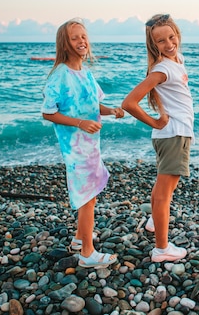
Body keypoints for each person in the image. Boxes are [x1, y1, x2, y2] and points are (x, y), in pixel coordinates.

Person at [41, 17, 124, 268]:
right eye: (75, 38)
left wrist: (112, 111)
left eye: (83, 36)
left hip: (91, 145)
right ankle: (88, 253)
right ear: (65, 44)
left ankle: (79, 239)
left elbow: (93, 104)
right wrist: (79, 123)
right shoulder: (59, 75)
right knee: (87, 196)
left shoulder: (85, 73)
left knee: (93, 192)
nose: (81, 41)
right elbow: (48, 112)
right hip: (75, 147)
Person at [121, 13, 194, 263]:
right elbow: (129, 103)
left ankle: (155, 220)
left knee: (166, 187)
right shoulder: (162, 69)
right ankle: (162, 249)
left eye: (171, 37)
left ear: (178, 35)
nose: (169, 44)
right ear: (154, 45)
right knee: (164, 194)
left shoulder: (176, 60)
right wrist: (154, 121)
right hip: (173, 134)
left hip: (175, 134)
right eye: (161, 41)